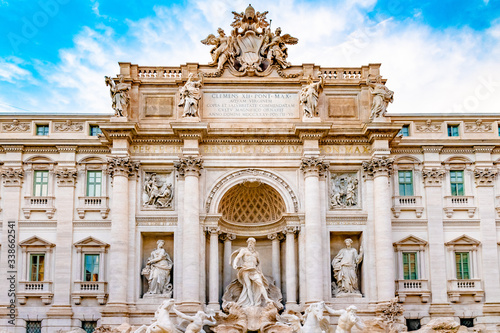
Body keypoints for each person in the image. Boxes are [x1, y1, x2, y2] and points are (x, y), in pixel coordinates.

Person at [231, 237, 273, 307]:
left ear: (254, 244)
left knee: (260, 284)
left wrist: (260, 271)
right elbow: (238, 257)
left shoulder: (256, 253)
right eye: (249, 242)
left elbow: (259, 262)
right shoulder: (244, 250)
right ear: (247, 243)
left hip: (254, 270)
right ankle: (252, 302)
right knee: (248, 286)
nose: (251, 244)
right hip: (245, 269)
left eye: (252, 243)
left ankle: (267, 299)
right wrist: (235, 264)